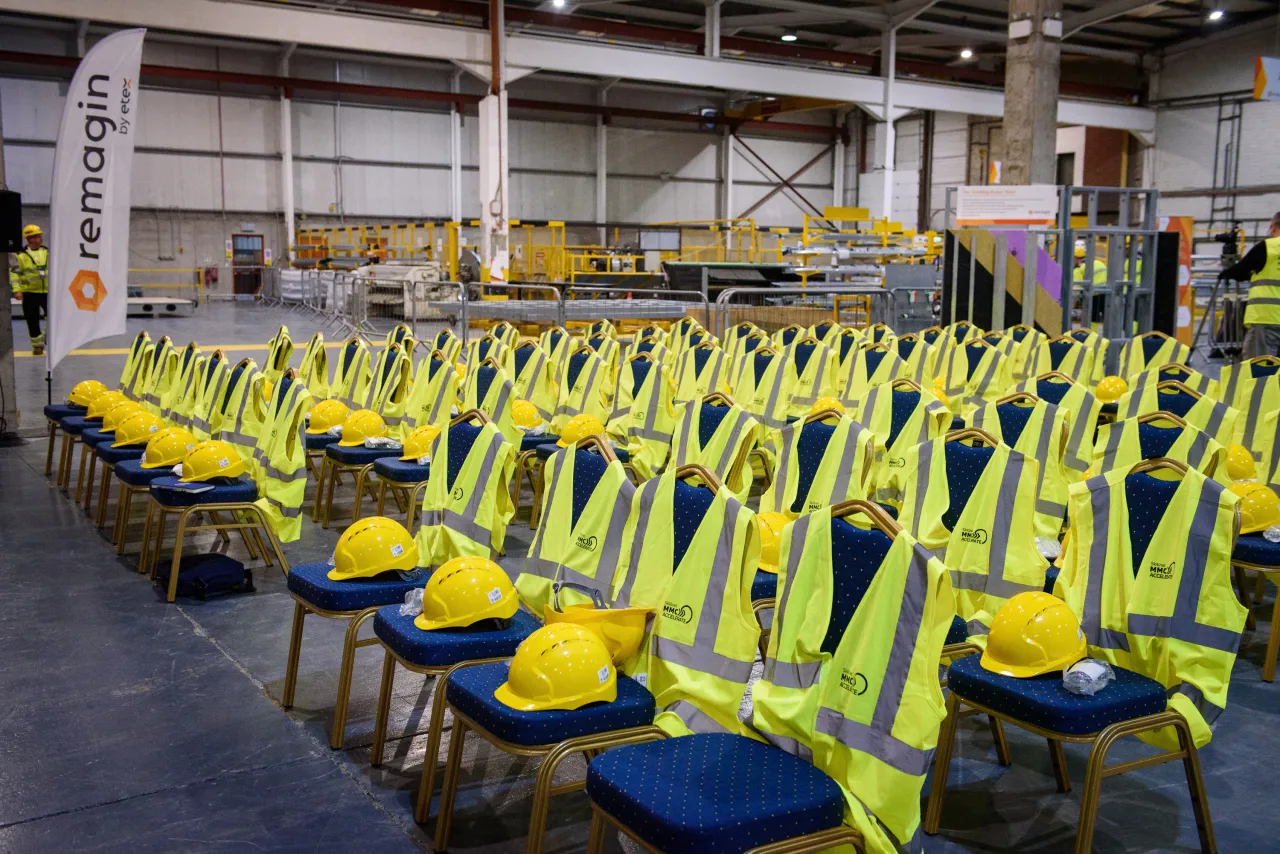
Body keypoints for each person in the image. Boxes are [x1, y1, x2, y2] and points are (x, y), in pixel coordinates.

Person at [1219, 212, 1280, 358]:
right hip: (1269, 320)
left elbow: (1239, 271)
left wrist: (1227, 272)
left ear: (1273, 227)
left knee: (1260, 370)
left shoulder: (1268, 247)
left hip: (1267, 319)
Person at [9, 224, 49, 355]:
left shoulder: (47, 252)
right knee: (32, 320)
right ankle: (37, 345)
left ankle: (49, 338)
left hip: (48, 292)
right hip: (30, 292)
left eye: (40, 236)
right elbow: (15, 274)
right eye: (37, 236)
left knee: (53, 318)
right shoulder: (20, 255)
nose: (40, 239)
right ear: (29, 239)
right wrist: (17, 290)